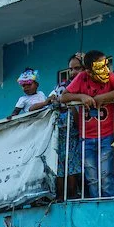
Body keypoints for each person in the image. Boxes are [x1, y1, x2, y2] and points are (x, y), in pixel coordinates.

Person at [59, 49, 114, 199]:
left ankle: (108, 204)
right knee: (92, 177)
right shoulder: (82, 78)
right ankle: (96, 205)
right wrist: (82, 96)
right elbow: (63, 97)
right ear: (89, 70)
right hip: (86, 137)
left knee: (106, 175)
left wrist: (104, 97)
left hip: (106, 135)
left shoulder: (109, 76)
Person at [46, 52, 85, 199]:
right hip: (64, 132)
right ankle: (64, 199)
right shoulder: (63, 86)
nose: (74, 72)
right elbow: (54, 103)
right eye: (72, 69)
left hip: (79, 132)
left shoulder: (88, 83)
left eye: (78, 68)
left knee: (73, 167)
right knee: (62, 168)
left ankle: (74, 197)